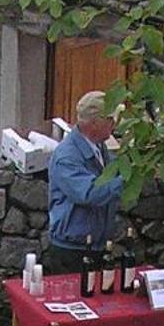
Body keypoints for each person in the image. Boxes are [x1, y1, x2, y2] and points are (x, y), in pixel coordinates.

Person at [45, 90, 123, 278]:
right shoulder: (67, 156)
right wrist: (129, 178)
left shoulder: (99, 147)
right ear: (95, 123)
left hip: (95, 244)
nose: (114, 124)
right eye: (111, 119)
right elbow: (88, 193)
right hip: (72, 250)